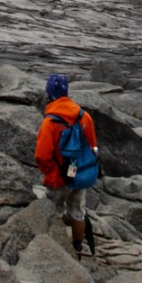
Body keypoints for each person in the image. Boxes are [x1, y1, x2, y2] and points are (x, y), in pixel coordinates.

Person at [35, 73, 98, 255]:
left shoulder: (50, 122)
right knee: (78, 212)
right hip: (80, 173)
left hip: (58, 176)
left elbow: (42, 155)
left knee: (53, 212)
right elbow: (92, 145)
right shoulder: (83, 116)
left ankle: (56, 249)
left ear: (49, 94)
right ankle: (77, 247)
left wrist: (51, 173)